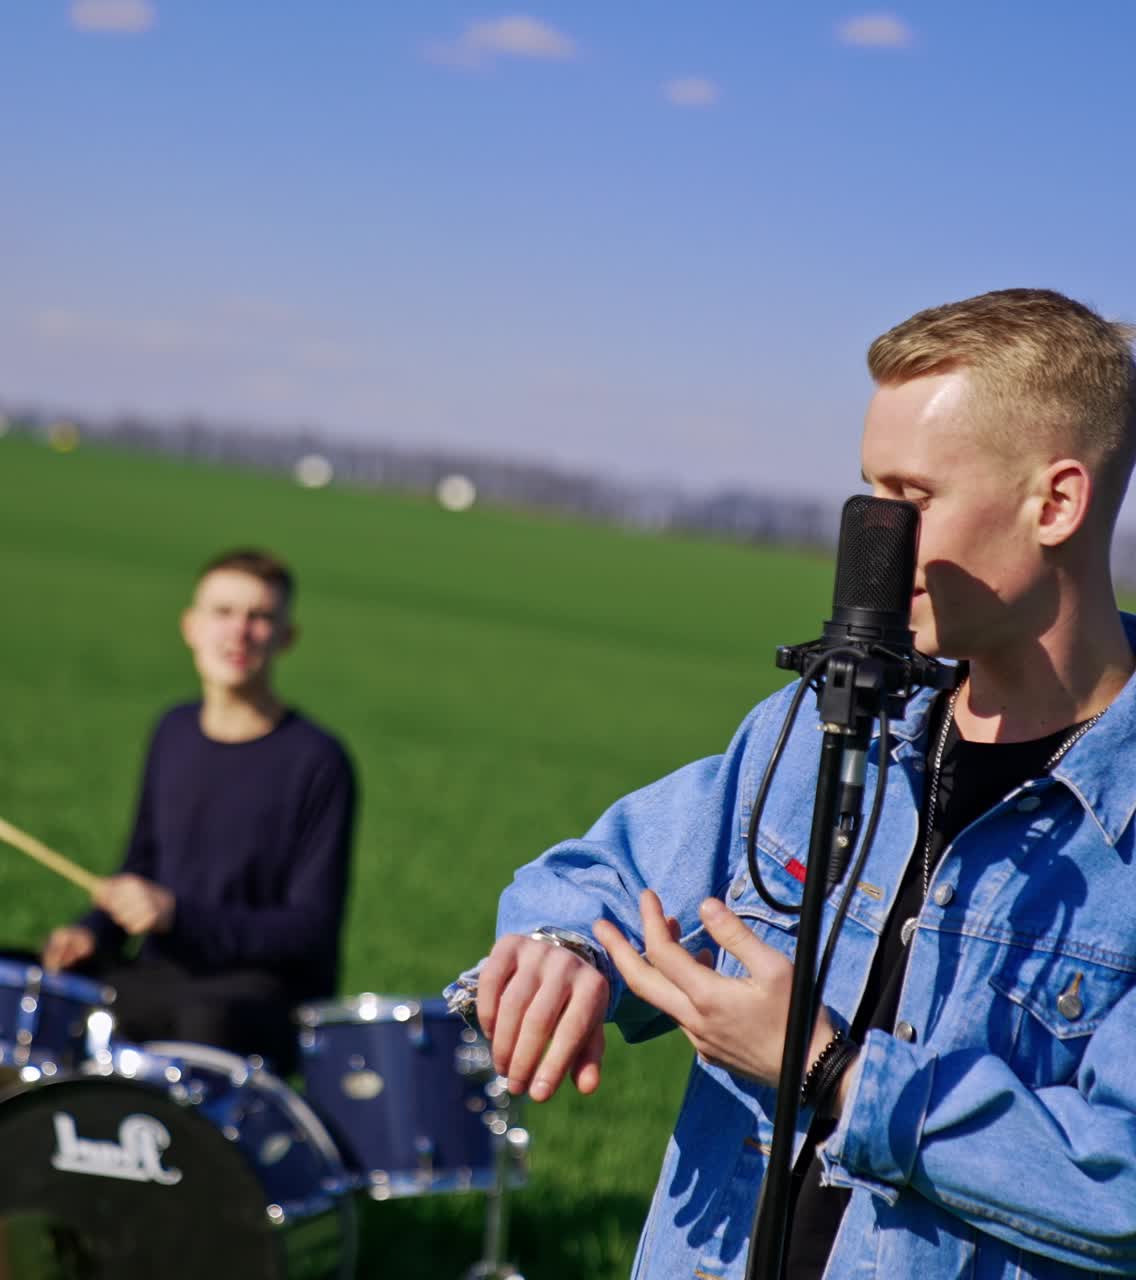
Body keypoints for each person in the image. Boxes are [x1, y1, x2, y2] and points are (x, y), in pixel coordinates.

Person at [451, 288, 1136, 1278]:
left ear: (1057, 502)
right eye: (866, 493)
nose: (869, 539)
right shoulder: (821, 729)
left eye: (910, 498)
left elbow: (1117, 1186)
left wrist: (831, 1073)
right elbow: (599, 881)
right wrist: (562, 948)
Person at [42, 548, 357, 1070]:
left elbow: (310, 930)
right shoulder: (173, 731)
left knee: (202, 1016)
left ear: (286, 638)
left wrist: (176, 915)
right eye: (223, 612)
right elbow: (139, 866)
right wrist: (90, 931)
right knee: (12, 984)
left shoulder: (318, 762)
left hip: (258, 995)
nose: (238, 633)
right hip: (162, 976)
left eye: (259, 618)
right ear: (190, 626)